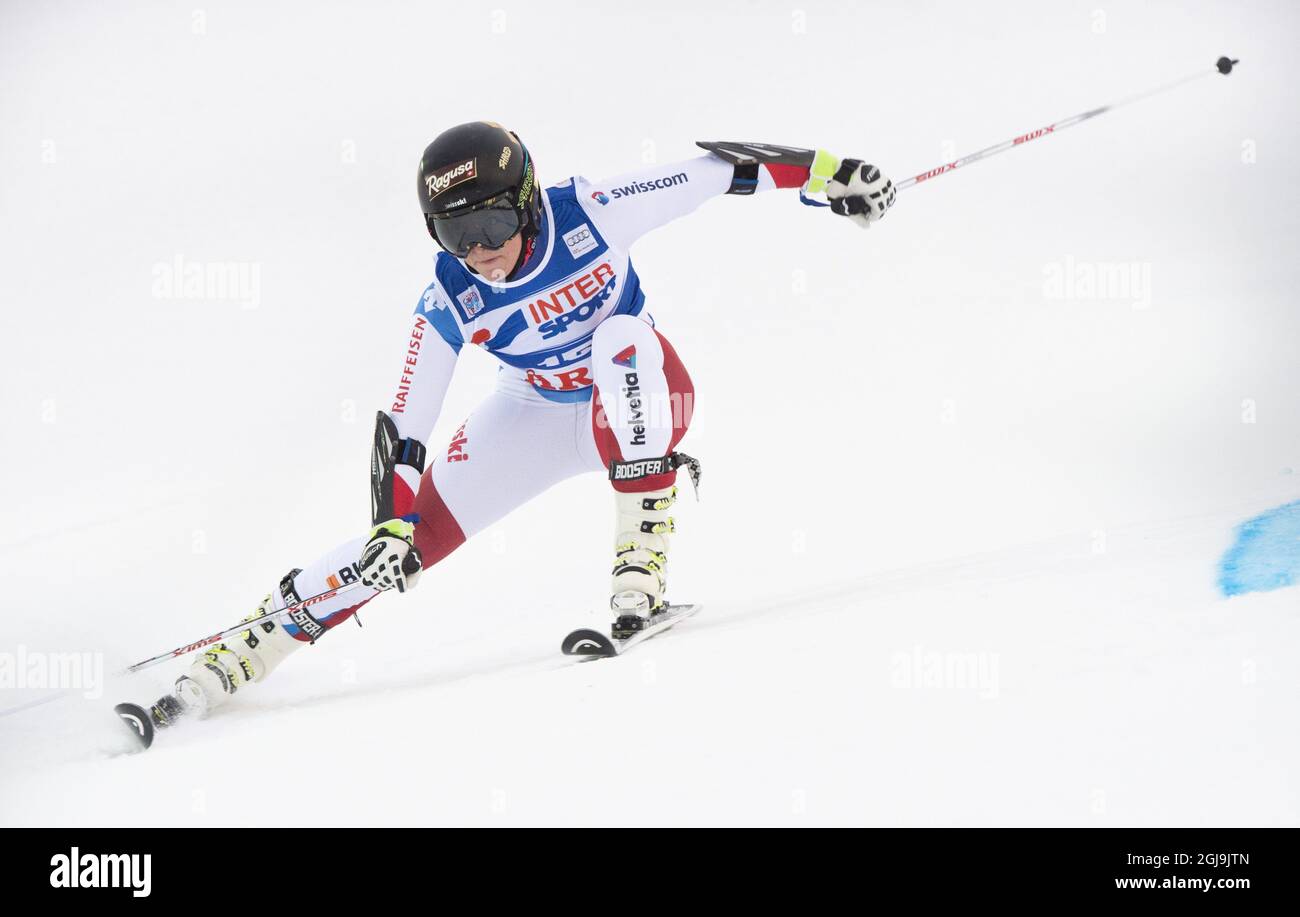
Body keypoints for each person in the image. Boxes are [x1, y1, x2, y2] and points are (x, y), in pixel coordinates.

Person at [145, 122, 896, 728]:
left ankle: (640, 576)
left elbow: (722, 169)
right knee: (402, 544)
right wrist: (392, 523)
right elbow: (406, 423)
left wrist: (837, 174)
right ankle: (233, 656)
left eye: (494, 222)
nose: (481, 252)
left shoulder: (595, 209)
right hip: (534, 413)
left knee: (619, 340)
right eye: (454, 234)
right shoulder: (450, 295)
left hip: (641, 396)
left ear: (529, 201)